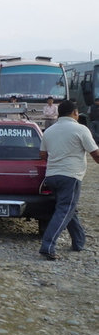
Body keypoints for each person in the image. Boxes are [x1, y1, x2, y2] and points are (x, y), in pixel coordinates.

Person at [38, 100, 99, 260]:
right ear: (75, 113)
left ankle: (79, 242)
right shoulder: (80, 129)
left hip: (51, 176)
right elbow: (96, 154)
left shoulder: (49, 131)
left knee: (70, 209)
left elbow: (42, 155)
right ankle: (48, 246)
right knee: (65, 209)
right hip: (70, 176)